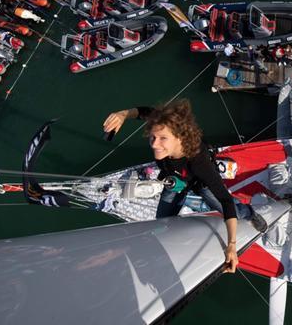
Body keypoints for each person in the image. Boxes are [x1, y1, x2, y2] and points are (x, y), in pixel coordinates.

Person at [103, 100, 267, 274]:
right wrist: (123, 114)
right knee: (163, 222)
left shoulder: (199, 162)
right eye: (153, 137)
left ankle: (249, 213)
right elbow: (145, 112)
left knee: (233, 211)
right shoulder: (163, 125)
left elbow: (225, 200)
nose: (154, 144)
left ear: (180, 137)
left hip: (200, 182)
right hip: (175, 180)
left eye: (163, 139)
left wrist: (232, 246)